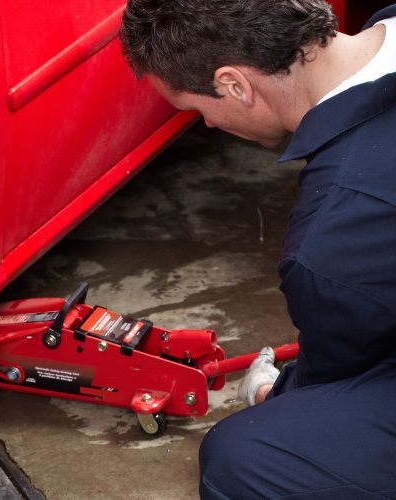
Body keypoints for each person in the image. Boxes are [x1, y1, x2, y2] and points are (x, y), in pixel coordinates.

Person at [120, 1, 396, 498]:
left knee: (246, 457)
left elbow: (337, 384)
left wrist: (274, 391)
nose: (206, 124)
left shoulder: (334, 237)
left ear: (235, 85)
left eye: (196, 109)